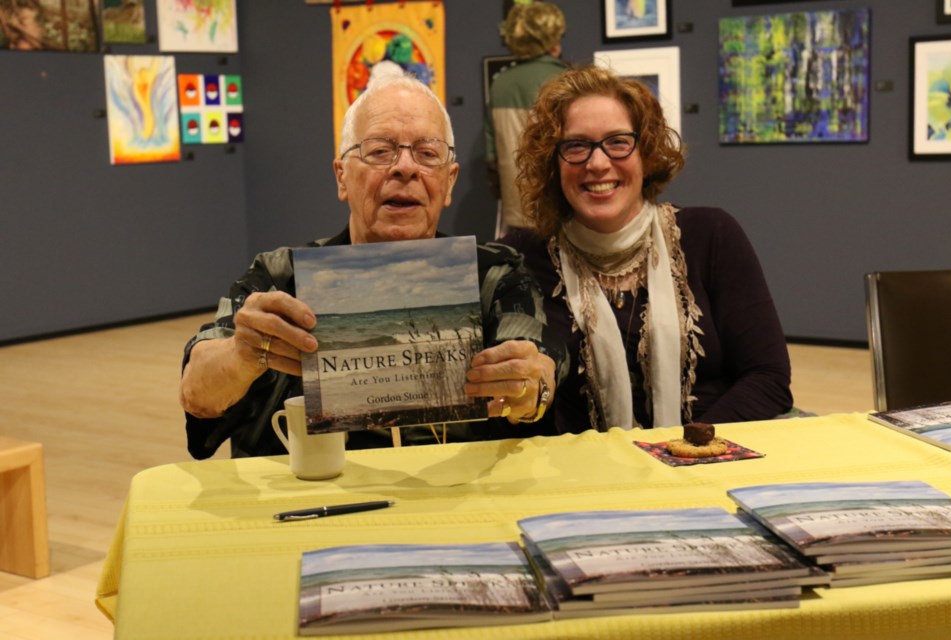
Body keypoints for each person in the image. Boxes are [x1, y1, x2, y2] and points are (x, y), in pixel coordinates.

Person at [179, 68, 565, 459]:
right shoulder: (280, 277)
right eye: (380, 151)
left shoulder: (496, 275)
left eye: (427, 153)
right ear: (342, 177)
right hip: (309, 506)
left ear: (449, 183)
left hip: (456, 502)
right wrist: (242, 355)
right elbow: (198, 395)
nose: (405, 168)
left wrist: (532, 386)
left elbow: (535, 368)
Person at [501, 65, 793, 434]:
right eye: (576, 146)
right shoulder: (519, 261)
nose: (598, 163)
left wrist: (683, 451)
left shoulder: (711, 236)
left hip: (706, 463)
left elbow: (768, 377)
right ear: (552, 162)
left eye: (618, 142)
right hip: (581, 477)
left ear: (647, 152)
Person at [485, 0, 566, 238]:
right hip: (560, 209)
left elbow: (491, 158)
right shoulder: (563, 78)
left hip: (515, 211)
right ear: (550, 39)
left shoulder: (500, 84)